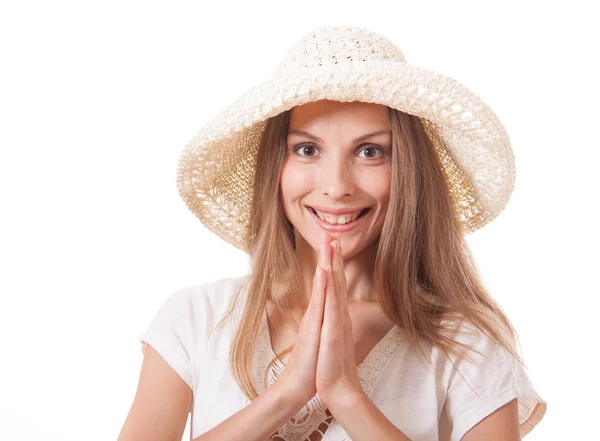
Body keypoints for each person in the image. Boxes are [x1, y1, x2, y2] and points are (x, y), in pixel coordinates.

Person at [118, 26, 547, 441]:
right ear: (277, 168)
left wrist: (346, 394)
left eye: (370, 151)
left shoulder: (463, 343)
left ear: (408, 173)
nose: (337, 185)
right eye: (307, 150)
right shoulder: (196, 318)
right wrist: (287, 394)